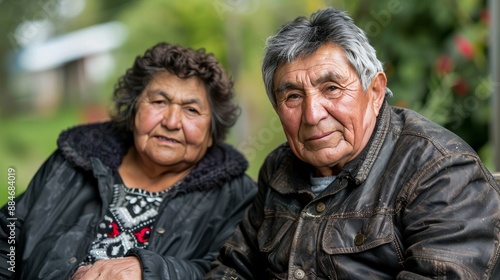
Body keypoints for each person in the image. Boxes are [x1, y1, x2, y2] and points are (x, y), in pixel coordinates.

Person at [205, 7, 500, 279]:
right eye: (293, 96)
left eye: (331, 88)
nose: (312, 115)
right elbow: (234, 268)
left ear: (374, 92)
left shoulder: (440, 169)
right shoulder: (279, 168)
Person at [0, 42, 257, 279]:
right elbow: (7, 236)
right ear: (134, 110)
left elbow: (233, 274)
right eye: (159, 101)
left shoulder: (237, 197)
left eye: (191, 110)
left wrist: (150, 271)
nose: (171, 122)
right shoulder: (74, 160)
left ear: (212, 131)